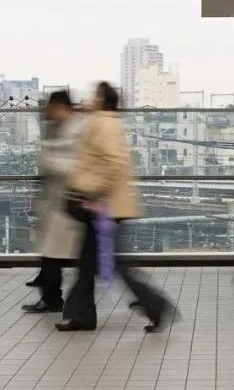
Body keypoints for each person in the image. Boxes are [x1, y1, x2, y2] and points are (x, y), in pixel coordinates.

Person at [59, 82, 172, 332]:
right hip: (105, 205)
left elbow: (114, 162)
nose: (91, 99)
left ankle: (155, 305)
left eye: (94, 95)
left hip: (104, 206)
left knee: (110, 263)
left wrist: (93, 190)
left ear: (102, 98)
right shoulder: (105, 121)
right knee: (89, 262)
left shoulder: (104, 124)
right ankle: (82, 315)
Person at [22, 91, 86, 314]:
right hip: (58, 202)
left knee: (57, 253)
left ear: (62, 107)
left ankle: (55, 299)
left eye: (52, 108)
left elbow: (73, 164)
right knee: (53, 253)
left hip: (68, 201)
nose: (49, 113)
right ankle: (53, 297)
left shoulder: (77, 129)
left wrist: (49, 160)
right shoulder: (59, 127)